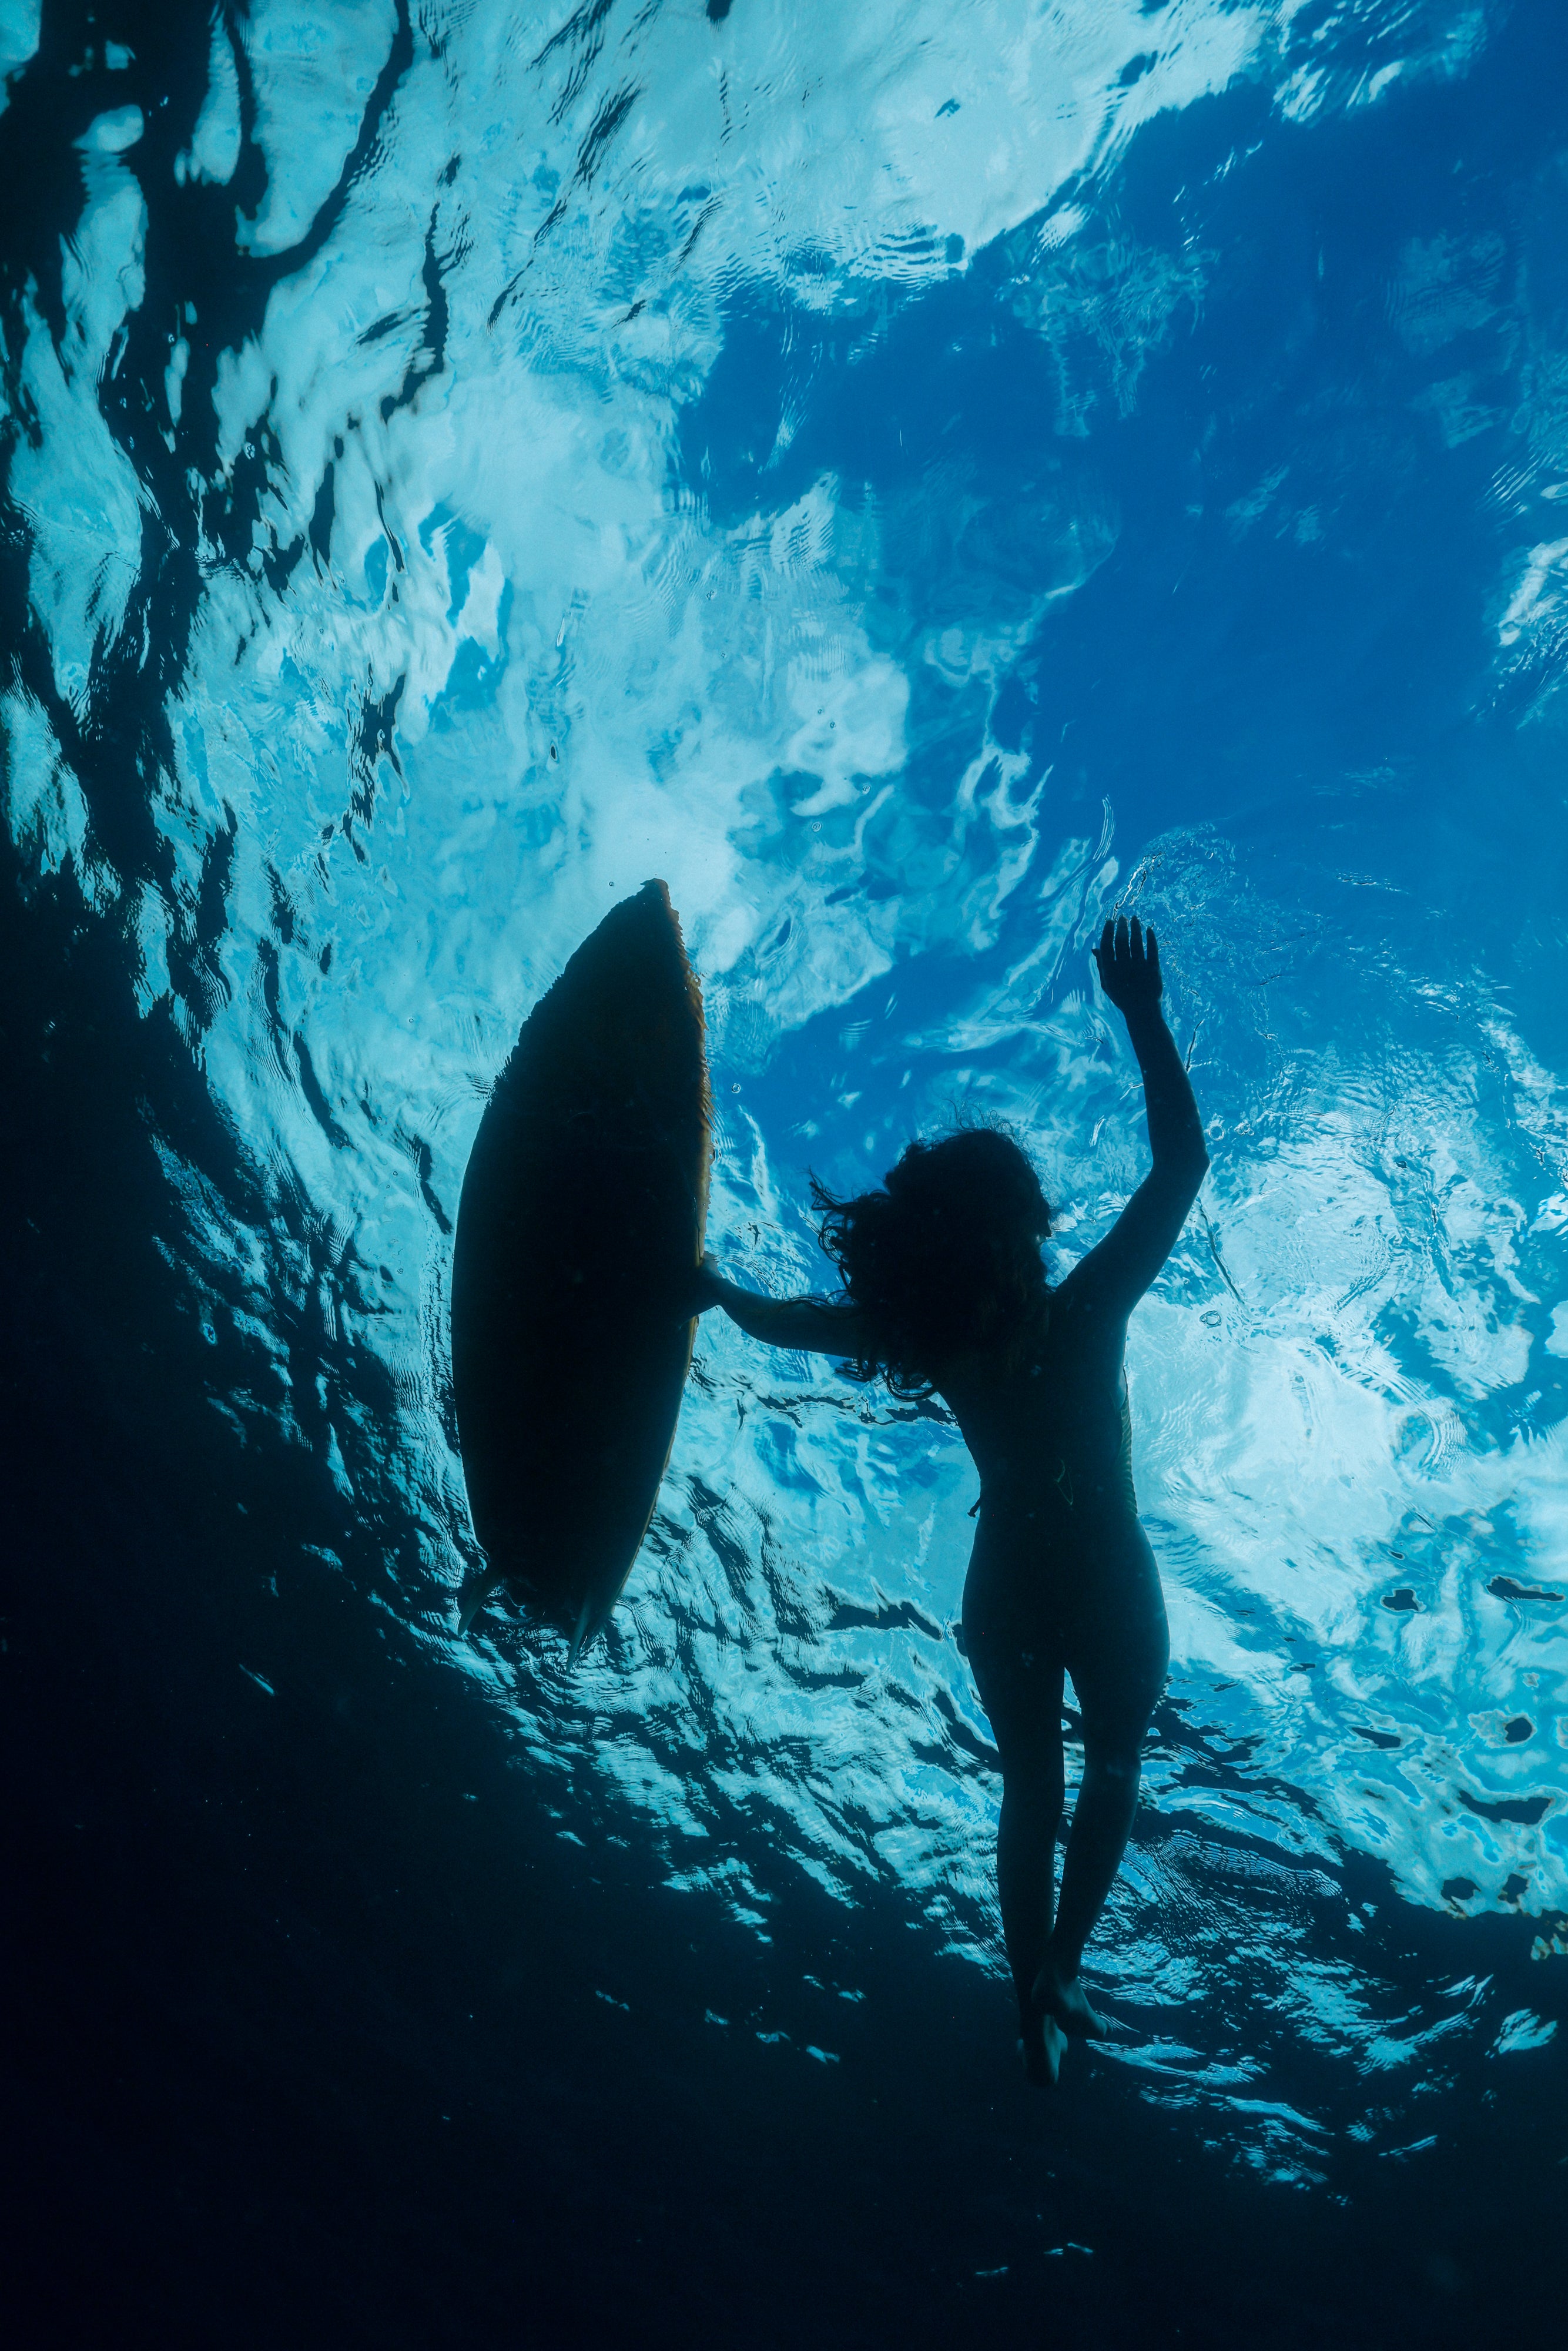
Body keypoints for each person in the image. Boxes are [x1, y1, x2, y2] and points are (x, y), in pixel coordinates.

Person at [691, 915, 1208, 2084]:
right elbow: (800, 1322)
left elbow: (1180, 1168)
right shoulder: (1028, 1322)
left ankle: (1050, 1974)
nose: (1014, 1303)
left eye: (1014, 1273)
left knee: (1095, 1767)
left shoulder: (1033, 1321)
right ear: (989, 1262)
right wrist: (714, 1293)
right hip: (1047, 1583)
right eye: (997, 1283)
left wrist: (1142, 1016)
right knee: (1052, 1779)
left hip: (1062, 1580)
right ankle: (1036, 1982)